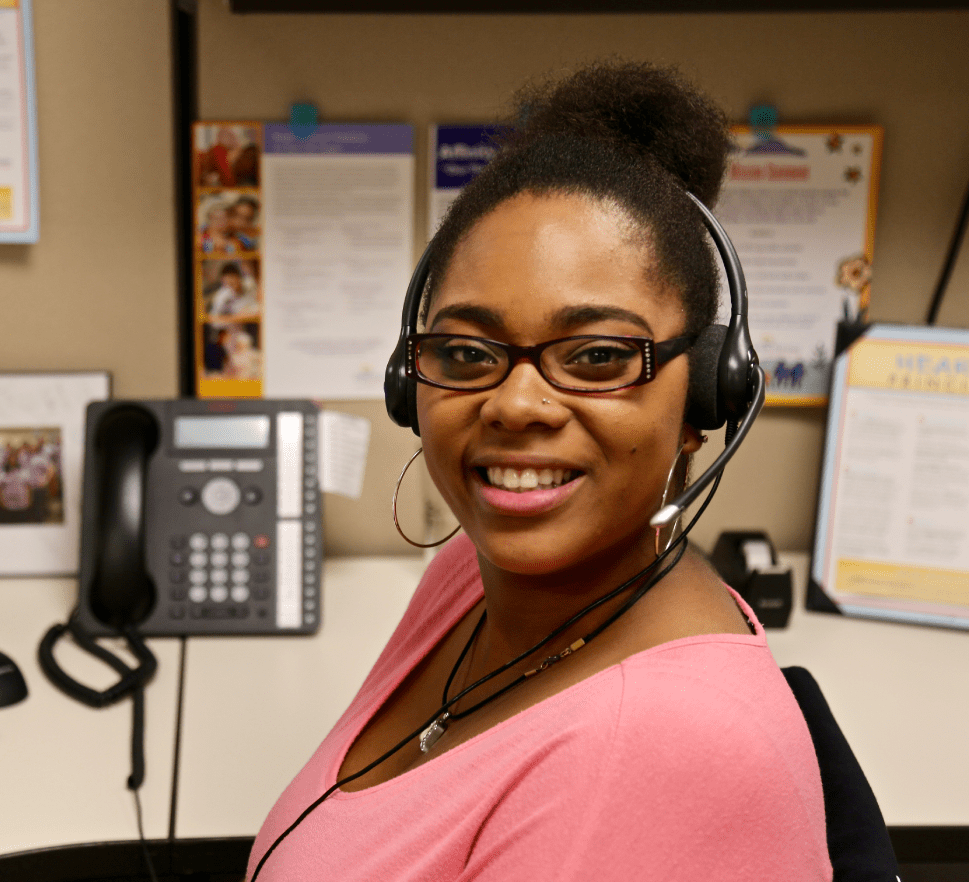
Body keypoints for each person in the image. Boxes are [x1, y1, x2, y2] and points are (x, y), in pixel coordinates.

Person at [247, 61, 830, 881]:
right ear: (409, 382)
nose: (516, 405)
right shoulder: (472, 575)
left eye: (597, 356)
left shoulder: (664, 754)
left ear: (706, 397)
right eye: (467, 351)